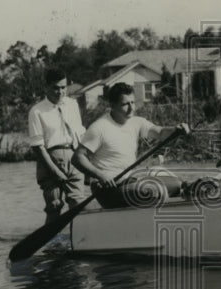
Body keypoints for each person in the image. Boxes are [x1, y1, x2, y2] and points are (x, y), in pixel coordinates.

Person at [73, 82, 188, 207]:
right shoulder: (99, 128)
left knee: (177, 184)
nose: (131, 108)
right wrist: (101, 175)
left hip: (130, 182)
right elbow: (78, 157)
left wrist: (176, 130)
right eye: (125, 104)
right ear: (112, 105)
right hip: (108, 190)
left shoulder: (136, 122)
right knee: (155, 192)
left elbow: (160, 132)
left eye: (132, 102)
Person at [28, 67, 88, 224]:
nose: (60, 91)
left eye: (63, 87)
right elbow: (38, 147)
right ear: (46, 87)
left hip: (74, 158)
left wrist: (87, 163)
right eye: (55, 88)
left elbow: (80, 134)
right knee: (54, 206)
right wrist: (55, 171)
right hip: (50, 160)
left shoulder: (72, 105)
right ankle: (51, 244)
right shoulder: (37, 111)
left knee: (78, 204)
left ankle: (79, 243)